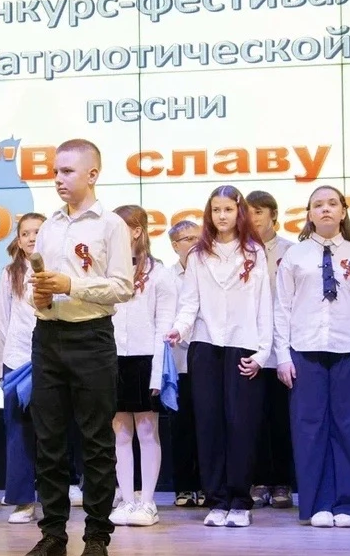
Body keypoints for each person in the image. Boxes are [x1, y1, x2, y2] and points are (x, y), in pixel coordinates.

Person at [25, 139, 134, 556]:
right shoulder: (49, 225)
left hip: (91, 338)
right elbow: (40, 286)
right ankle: (53, 533)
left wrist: (72, 285)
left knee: (96, 442)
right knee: (48, 441)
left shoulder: (111, 225)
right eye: (55, 171)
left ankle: (96, 536)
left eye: (67, 171)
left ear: (92, 174)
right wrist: (39, 297)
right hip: (47, 336)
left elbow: (122, 287)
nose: (58, 179)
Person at [167, 186, 272, 528]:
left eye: (228, 209)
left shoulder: (254, 252)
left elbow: (264, 305)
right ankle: (216, 500)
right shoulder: (199, 255)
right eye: (216, 210)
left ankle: (240, 501)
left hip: (244, 345)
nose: (222, 216)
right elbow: (189, 303)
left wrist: (263, 352)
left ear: (239, 212)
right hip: (205, 345)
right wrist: (179, 329)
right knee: (209, 425)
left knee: (241, 424)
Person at [274, 185, 350, 529]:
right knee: (309, 428)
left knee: (349, 428)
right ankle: (317, 503)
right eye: (318, 204)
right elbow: (282, 308)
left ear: (343, 212)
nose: (325, 209)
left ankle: (349, 504)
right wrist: (283, 355)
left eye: (332, 203)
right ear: (309, 214)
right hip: (305, 350)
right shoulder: (295, 256)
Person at [108, 205, 176, 527]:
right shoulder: (107, 271)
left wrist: (157, 374)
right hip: (112, 358)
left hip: (146, 358)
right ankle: (126, 498)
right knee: (120, 433)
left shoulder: (160, 274)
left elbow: (164, 326)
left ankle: (148, 501)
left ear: (137, 231)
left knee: (147, 432)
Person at [0, 212, 47, 524]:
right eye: (25, 233)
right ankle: (23, 500)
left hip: (49, 358)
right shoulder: (10, 273)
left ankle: (54, 497)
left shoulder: (58, 268)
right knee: (18, 431)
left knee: (51, 431)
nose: (31, 238)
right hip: (16, 359)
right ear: (18, 239)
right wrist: (7, 358)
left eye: (37, 232)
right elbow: (3, 319)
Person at [245, 190, 295, 509]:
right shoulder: (240, 251)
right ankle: (259, 480)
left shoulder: (291, 251)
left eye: (259, 212)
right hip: (250, 345)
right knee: (254, 418)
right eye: (248, 213)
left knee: (281, 417)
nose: (253, 219)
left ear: (273, 215)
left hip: (283, 347)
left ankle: (282, 483)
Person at [166, 220, 203, 510]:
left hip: (205, 357)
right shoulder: (167, 277)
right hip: (178, 361)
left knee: (207, 425)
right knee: (181, 427)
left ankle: (206, 485)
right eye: (186, 239)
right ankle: (184, 486)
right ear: (174, 245)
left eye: (196, 237)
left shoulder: (208, 269)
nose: (193, 243)